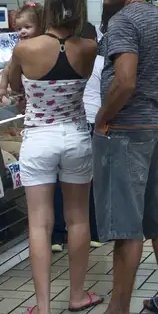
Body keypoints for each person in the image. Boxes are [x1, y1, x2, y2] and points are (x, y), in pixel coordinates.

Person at [74, 0, 158, 314]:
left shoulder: (123, 21)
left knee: (125, 226)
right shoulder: (156, 19)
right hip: (153, 126)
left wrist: (103, 118)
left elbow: (126, 79)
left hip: (125, 130)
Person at [2, 0, 100, 314]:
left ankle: (42, 309)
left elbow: (14, 87)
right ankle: (77, 295)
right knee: (77, 219)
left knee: (39, 223)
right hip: (75, 135)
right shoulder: (89, 48)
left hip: (38, 138)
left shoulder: (25, 48)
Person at [52, 22, 104, 252]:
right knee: (89, 181)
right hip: (92, 122)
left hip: (64, 123)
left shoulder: (65, 60)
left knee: (58, 182)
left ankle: (56, 236)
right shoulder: (101, 62)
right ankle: (94, 231)